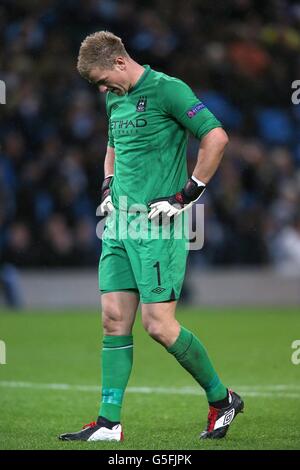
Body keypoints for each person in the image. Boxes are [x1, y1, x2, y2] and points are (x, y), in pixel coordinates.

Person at [59, 31, 244, 442]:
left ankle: (221, 399)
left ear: (120, 62)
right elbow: (114, 145)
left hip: (158, 225)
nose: (103, 90)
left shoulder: (169, 91)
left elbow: (216, 137)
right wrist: (107, 185)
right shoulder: (114, 98)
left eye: (103, 80)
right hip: (118, 225)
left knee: (158, 326)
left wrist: (188, 194)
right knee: (112, 321)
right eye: (98, 86)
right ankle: (109, 423)